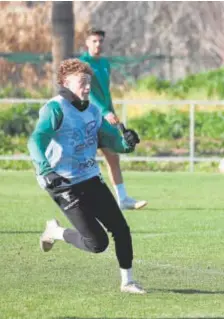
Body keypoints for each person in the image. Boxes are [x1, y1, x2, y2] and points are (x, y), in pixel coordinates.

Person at [28, 58, 146, 294]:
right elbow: (36, 140)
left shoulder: (92, 109)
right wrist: (46, 170)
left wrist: (126, 143)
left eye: (89, 82)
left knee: (121, 229)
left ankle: (128, 282)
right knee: (97, 244)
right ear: (66, 82)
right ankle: (56, 232)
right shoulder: (56, 108)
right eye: (82, 82)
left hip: (90, 176)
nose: (88, 87)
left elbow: (108, 140)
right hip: (62, 183)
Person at [80, 28, 147, 210]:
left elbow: (105, 93)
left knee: (113, 158)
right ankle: (83, 201)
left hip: (105, 116)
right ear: (87, 43)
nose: (98, 44)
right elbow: (88, 93)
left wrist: (110, 111)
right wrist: (103, 111)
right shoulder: (82, 64)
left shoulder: (104, 63)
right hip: (88, 117)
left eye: (100, 41)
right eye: (94, 41)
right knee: (86, 160)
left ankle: (123, 199)